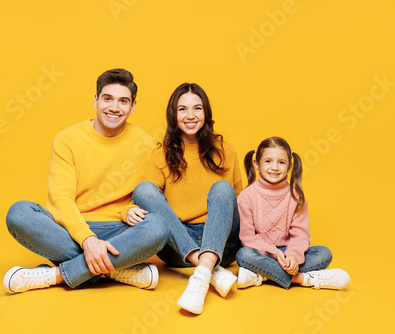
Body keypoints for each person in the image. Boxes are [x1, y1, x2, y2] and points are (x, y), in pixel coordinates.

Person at [3, 68, 169, 293]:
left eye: (123, 101)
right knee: (19, 213)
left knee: (158, 226)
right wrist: (88, 240)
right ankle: (115, 270)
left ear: (133, 107)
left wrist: (128, 210)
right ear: (95, 100)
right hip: (71, 231)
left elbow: (152, 194)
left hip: (119, 232)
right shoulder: (67, 140)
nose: (114, 107)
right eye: (107, 99)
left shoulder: (147, 145)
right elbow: (61, 200)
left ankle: (56, 275)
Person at [130, 83, 243, 314]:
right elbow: (141, 198)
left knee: (223, 188)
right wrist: (127, 210)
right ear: (174, 114)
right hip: (178, 247)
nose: (190, 115)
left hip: (224, 243)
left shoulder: (225, 150)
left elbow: (240, 200)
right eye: (182, 109)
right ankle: (208, 269)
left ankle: (200, 275)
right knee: (142, 189)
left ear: (206, 113)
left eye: (197, 108)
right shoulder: (160, 154)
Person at [236, 136, 350, 290]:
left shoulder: (295, 196)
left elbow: (301, 234)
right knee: (243, 255)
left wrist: (293, 256)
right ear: (257, 164)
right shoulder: (247, 196)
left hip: (288, 252)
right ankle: (304, 279)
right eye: (268, 161)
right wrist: (275, 254)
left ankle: (262, 275)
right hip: (263, 253)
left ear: (289, 166)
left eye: (281, 162)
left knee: (324, 253)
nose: (275, 168)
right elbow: (247, 237)